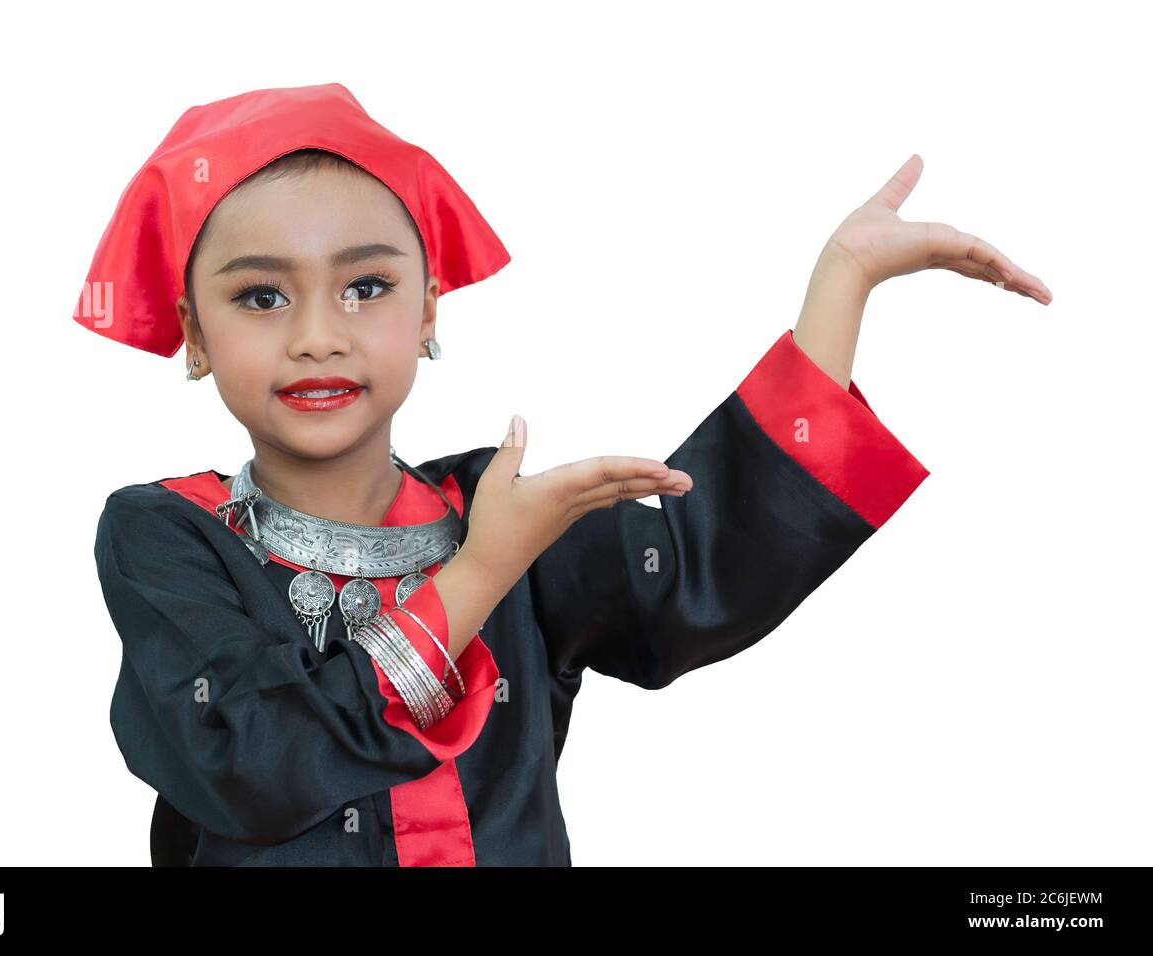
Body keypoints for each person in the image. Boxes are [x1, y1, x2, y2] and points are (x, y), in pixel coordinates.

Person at [75, 83, 1051, 866]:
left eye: (366, 285)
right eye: (260, 295)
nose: (318, 334)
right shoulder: (166, 533)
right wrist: (478, 572)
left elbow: (709, 554)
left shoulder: (501, 510)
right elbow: (245, 756)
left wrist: (839, 281)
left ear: (428, 311)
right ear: (195, 333)